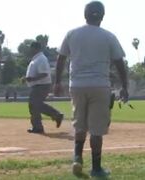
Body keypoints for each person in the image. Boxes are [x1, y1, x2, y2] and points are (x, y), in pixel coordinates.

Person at [54, 1, 128, 178]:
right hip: (100, 85)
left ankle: (77, 158)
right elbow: (119, 63)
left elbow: (61, 59)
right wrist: (124, 86)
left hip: (77, 85)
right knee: (96, 129)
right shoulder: (108, 36)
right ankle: (96, 168)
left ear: (85, 15)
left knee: (80, 124)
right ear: (102, 16)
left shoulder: (72, 34)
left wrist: (57, 81)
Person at [25, 41, 64, 134]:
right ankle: (56, 115)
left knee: (34, 105)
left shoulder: (41, 59)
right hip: (38, 85)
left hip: (41, 85)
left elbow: (44, 74)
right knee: (36, 105)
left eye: (31, 48)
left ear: (35, 48)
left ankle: (38, 127)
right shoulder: (36, 59)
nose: (30, 50)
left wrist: (32, 78)